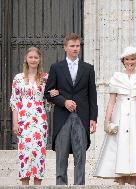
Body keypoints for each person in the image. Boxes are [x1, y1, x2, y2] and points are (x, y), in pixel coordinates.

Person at [94, 46, 136, 185]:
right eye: (128, 59)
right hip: (120, 117)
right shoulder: (117, 77)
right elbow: (111, 101)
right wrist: (106, 121)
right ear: (123, 61)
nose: (130, 62)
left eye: (133, 59)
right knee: (120, 149)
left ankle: (133, 184)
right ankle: (120, 184)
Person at [44, 33, 98, 185]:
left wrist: (93, 118)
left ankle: (79, 186)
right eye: (72, 46)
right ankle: (60, 186)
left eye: (78, 46)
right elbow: (48, 93)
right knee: (61, 157)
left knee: (80, 156)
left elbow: (92, 95)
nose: (75, 49)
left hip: (82, 116)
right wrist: (64, 101)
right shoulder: (56, 67)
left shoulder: (88, 68)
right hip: (62, 117)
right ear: (65, 47)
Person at [10, 47, 58, 185]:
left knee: (39, 153)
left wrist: (53, 96)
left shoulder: (45, 77)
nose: (33, 60)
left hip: (39, 120)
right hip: (23, 120)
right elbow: (15, 102)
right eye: (30, 57)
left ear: (39, 59)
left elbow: (48, 102)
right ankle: (24, 185)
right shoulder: (18, 78)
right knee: (24, 153)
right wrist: (15, 123)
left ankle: (38, 185)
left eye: (35, 57)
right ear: (26, 58)